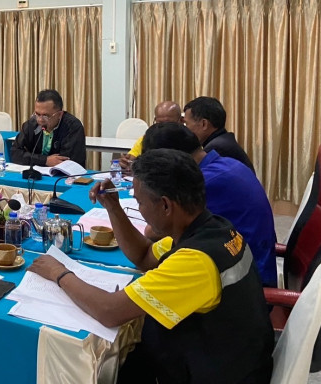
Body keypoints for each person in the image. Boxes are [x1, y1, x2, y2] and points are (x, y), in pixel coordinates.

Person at [29, 149, 273, 383]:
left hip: (214, 373)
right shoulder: (211, 227)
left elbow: (109, 311)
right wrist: (113, 207)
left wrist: (59, 272)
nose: (140, 210)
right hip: (222, 356)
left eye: (140, 202)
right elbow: (145, 255)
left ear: (166, 206)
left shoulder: (196, 261)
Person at [141, 122, 277, 286]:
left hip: (244, 281)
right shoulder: (229, 163)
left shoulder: (204, 181)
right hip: (250, 261)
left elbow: (152, 232)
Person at [10, 89, 85, 167]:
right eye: (37, 114)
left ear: (59, 114)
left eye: (46, 116)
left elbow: (67, 162)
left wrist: (33, 159)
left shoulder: (73, 127)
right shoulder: (31, 125)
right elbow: (15, 153)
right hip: (36, 172)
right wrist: (45, 160)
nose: (40, 120)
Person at [119, 100, 182, 171]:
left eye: (169, 123)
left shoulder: (187, 139)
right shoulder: (147, 139)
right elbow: (131, 159)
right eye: (160, 123)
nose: (164, 127)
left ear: (181, 121)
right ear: (155, 120)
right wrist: (126, 164)